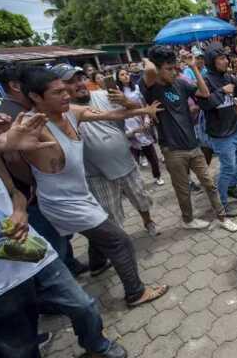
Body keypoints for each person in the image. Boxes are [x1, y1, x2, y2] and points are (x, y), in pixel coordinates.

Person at [20, 66, 168, 307]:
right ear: (36, 97)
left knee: (100, 232)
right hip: (62, 205)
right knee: (119, 241)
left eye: (65, 89)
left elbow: (110, 115)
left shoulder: (70, 112)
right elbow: (7, 143)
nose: (66, 94)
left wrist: (144, 109)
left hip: (81, 197)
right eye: (57, 92)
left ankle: (98, 266)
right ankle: (135, 293)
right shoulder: (30, 126)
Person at [0, 146, 127, 358]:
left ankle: (96, 345)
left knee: (83, 305)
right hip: (1, 284)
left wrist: (20, 211)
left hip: (35, 254)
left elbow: (15, 194)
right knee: (21, 349)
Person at [0, 64, 88, 277]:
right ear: (16, 86)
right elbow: (12, 158)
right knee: (53, 245)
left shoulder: (21, 110)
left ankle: (70, 265)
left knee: (61, 239)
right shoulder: (12, 114)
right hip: (31, 200)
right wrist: (36, 185)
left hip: (39, 195)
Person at [51, 64, 160, 238]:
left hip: (126, 162)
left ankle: (148, 221)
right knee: (110, 212)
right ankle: (120, 240)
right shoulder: (63, 112)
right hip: (97, 174)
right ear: (59, 88)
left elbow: (133, 111)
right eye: (70, 82)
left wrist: (126, 102)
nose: (79, 84)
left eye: (80, 79)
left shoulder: (104, 95)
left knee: (141, 198)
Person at [140, 46, 237, 232]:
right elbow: (149, 70)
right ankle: (188, 220)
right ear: (158, 69)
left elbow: (205, 93)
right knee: (183, 189)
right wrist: (151, 60)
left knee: (209, 184)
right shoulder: (151, 87)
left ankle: (222, 217)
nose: (173, 71)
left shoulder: (180, 83)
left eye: (174, 67)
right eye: (168, 68)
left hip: (193, 145)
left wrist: (193, 67)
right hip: (172, 149)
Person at [201, 44, 237, 217]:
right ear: (212, 62)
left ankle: (232, 187)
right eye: (221, 58)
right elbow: (204, 104)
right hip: (220, 134)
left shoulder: (228, 76)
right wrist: (222, 91)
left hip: (235, 128)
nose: (225, 60)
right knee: (228, 167)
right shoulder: (206, 80)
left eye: (225, 57)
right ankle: (221, 203)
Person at [116, 68, 164, 186]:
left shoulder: (136, 88)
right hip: (127, 124)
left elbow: (144, 105)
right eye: (122, 74)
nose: (125, 76)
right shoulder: (116, 92)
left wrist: (147, 119)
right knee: (133, 157)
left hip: (140, 122)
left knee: (151, 154)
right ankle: (137, 182)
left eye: (126, 73)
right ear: (118, 78)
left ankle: (157, 176)